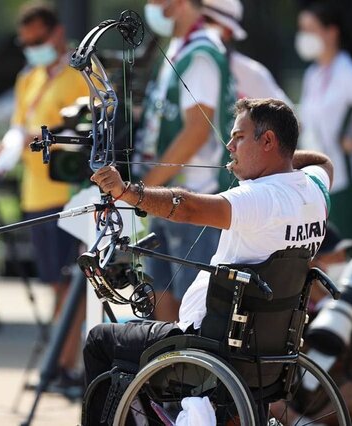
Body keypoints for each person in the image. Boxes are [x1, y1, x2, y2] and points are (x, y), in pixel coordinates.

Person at [84, 99, 332, 396]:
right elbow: (323, 163)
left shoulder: (259, 197)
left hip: (207, 346)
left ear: (267, 140)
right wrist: (281, 159)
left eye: (239, 138)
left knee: (99, 340)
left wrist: (125, 192)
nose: (229, 147)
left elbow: (187, 208)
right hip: (266, 354)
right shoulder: (315, 192)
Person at [0, 2, 89, 387]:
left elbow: (80, 128)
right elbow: (20, 127)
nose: (32, 48)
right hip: (34, 194)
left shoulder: (78, 73)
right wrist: (2, 147)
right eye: (26, 42)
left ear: (57, 34)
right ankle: (58, 363)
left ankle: (63, 366)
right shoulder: (28, 77)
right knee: (53, 285)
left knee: (70, 283)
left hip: (67, 191)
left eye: (38, 40)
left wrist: (34, 137)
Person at [134, 0, 236, 321]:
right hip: (169, 197)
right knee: (160, 300)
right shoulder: (180, 46)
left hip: (194, 202)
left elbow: (197, 130)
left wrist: (145, 187)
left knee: (192, 311)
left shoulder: (201, 52)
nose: (150, 6)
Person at [270, 224, 352, 425]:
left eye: (344, 253)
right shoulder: (285, 296)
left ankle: (314, 422)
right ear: (313, 264)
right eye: (335, 254)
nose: (343, 261)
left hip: (343, 390)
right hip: (291, 394)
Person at [296, 0, 352, 242]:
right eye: (302, 30)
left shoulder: (347, 71)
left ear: (331, 32)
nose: (304, 37)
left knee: (349, 251)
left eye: (310, 29)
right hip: (318, 181)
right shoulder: (311, 74)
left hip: (347, 179)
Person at [201, 0, 291, 105]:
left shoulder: (252, 74)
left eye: (208, 20)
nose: (202, 27)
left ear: (229, 31)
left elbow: (287, 116)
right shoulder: (182, 62)